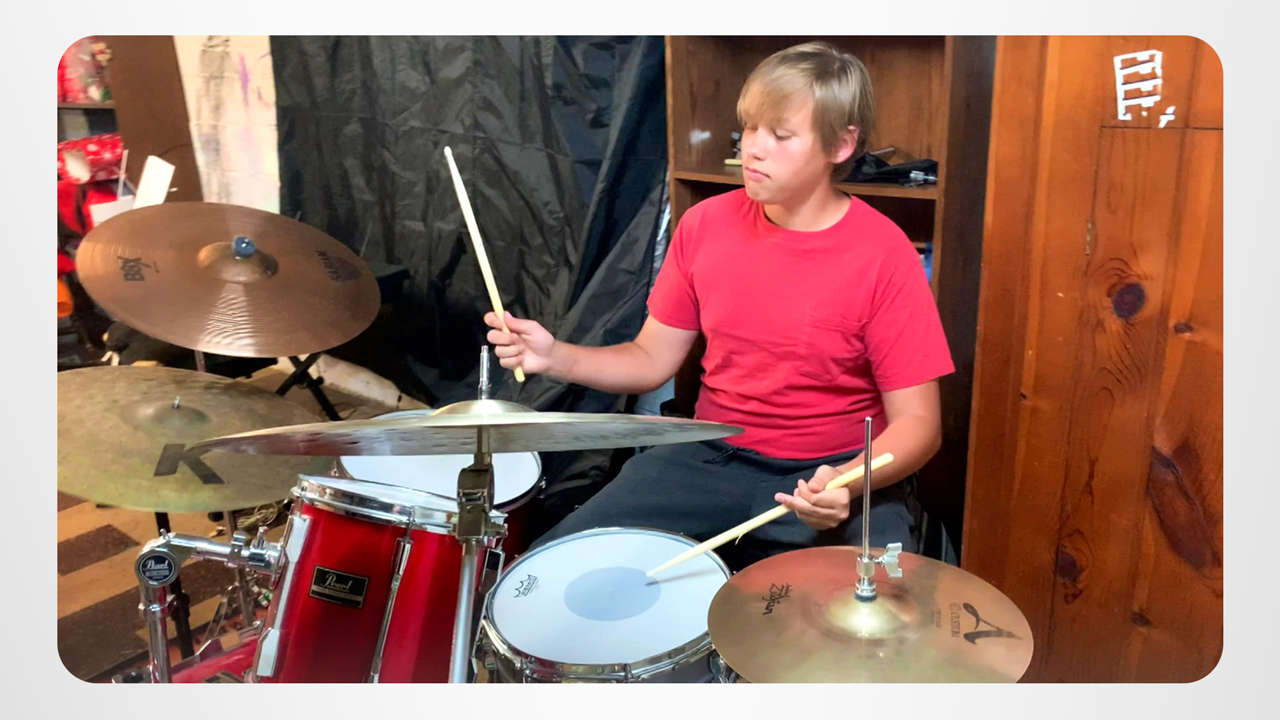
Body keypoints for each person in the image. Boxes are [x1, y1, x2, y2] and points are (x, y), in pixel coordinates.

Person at [484, 41, 953, 571]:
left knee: (866, 609)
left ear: (841, 145)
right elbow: (651, 360)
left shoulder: (885, 252)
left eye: (780, 135)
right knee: (551, 569)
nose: (753, 149)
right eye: (748, 128)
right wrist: (553, 357)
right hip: (710, 456)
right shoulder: (705, 225)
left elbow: (919, 424)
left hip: (830, 473)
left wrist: (847, 481)